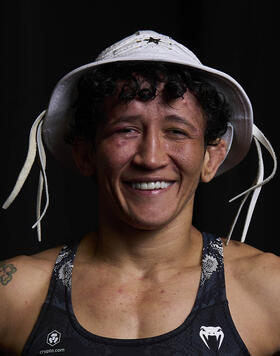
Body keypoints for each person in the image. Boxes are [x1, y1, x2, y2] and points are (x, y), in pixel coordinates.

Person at [0, 30, 279, 355]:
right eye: (126, 130)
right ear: (85, 152)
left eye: (176, 131)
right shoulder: (15, 294)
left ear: (211, 156)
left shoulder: (267, 289)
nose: (151, 158)